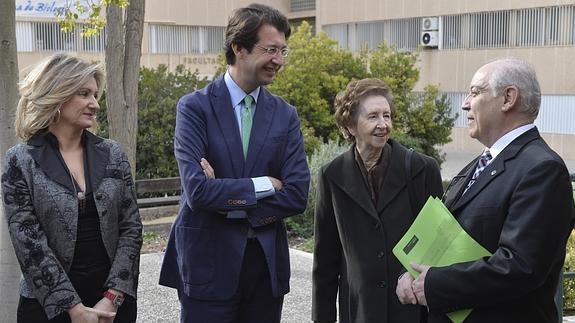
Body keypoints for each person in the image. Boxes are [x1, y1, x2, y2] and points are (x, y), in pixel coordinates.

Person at [158, 4, 310, 323]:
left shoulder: (285, 115)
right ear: (238, 48)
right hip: (206, 264)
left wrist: (224, 200)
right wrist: (265, 184)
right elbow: (197, 191)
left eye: (283, 50)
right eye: (270, 49)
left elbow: (297, 194)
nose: (279, 60)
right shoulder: (194, 109)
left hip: (265, 268)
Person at [396, 58, 575, 322]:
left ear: (508, 98)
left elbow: (521, 266)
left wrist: (435, 284)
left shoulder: (542, 169)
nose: (465, 103)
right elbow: (444, 230)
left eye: (475, 92)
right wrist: (408, 273)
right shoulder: (480, 164)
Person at [1, 53, 142, 323]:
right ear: (58, 93)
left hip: (111, 306)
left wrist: (113, 297)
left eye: (96, 94)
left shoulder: (113, 154)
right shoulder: (20, 161)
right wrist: (74, 309)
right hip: (46, 308)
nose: (95, 104)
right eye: (84, 94)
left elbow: (131, 228)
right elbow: (28, 241)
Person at [312, 78, 443, 323]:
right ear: (350, 126)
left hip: (411, 310)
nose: (383, 124)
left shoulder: (421, 169)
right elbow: (325, 262)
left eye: (387, 116)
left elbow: (439, 243)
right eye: (373, 117)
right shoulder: (332, 175)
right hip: (360, 311)